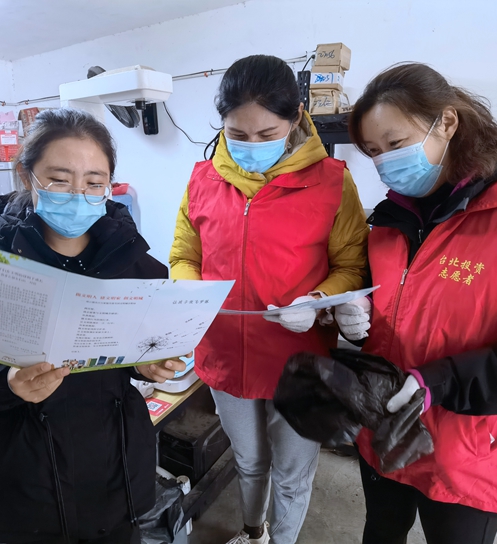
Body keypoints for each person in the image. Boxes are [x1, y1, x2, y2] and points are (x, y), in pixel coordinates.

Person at [331, 62, 497, 544]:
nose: (385, 162)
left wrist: (440, 381)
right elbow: (393, 310)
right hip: (386, 432)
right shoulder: (389, 221)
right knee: (380, 532)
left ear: (446, 122)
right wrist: (353, 314)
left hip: (467, 453)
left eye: (396, 143)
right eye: (373, 152)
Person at [0, 109, 186, 544]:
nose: (78, 194)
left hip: (114, 474)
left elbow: (135, 351)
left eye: (94, 182)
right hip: (26, 489)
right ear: (27, 177)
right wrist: (6, 384)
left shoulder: (136, 267)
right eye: (60, 180)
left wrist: (145, 364)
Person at [170, 54, 369, 544]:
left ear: (296, 118)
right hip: (225, 352)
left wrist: (318, 299)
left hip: (298, 360)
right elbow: (184, 254)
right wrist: (190, 291)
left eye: (267, 134)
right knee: (249, 461)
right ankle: (252, 531)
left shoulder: (331, 181)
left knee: (292, 472)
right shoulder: (202, 180)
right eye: (238, 134)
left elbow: (351, 266)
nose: (252, 146)